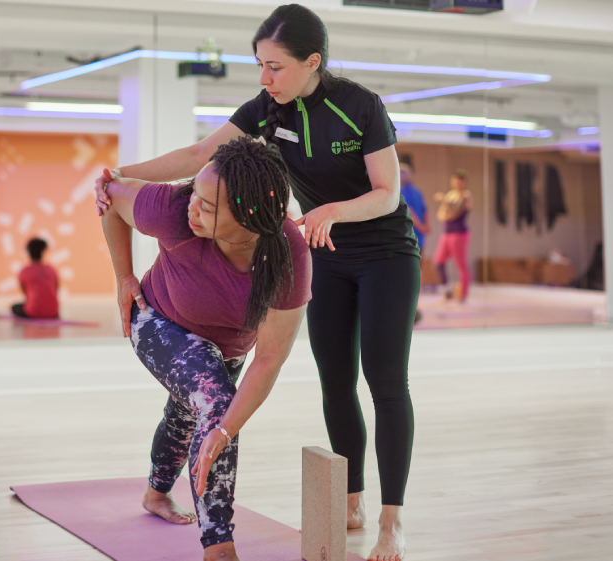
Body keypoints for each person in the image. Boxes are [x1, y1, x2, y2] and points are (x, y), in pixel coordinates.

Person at [95, 6, 418, 559]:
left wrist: (332, 211)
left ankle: (391, 521)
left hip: (383, 252)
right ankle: (351, 500)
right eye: (260, 66)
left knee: (384, 382)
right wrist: (124, 175)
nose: (264, 79)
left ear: (312, 62)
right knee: (335, 383)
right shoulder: (268, 109)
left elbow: (388, 193)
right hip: (325, 252)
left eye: (274, 67)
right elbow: (201, 154)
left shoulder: (360, 105)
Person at [98, 137, 311, 561]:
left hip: (228, 347)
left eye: (209, 207)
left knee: (188, 416)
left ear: (250, 217)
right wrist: (124, 276)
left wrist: (226, 429)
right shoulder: (172, 208)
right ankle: (219, 546)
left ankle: (155, 493)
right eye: (194, 193)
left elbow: (269, 358)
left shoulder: (288, 255)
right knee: (214, 403)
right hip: (157, 320)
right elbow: (108, 194)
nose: (192, 207)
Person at [433, 170, 473, 302]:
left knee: (461, 265)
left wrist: (444, 201)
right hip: (447, 233)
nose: (457, 183)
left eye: (460, 181)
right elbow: (442, 215)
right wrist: (446, 205)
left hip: (459, 233)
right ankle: (447, 290)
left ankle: (463, 294)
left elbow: (457, 210)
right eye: (455, 180)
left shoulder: (465, 195)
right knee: (438, 261)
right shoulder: (451, 195)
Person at [399, 162, 429, 324]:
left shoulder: (403, 192)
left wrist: (420, 226)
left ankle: (410, 301)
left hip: (409, 236)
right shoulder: (418, 192)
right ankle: (416, 297)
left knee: (410, 269)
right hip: (420, 237)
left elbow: (409, 211)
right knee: (419, 267)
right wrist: (425, 227)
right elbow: (426, 211)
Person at [12, 237, 60, 319]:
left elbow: (25, 293)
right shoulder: (51, 269)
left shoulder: (24, 271)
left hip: (33, 312)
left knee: (14, 307)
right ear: (43, 252)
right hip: (53, 312)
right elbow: (56, 288)